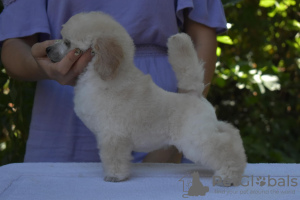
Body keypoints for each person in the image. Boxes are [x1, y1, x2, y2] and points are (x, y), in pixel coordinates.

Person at [0, 0, 227, 163]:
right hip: (63, 119)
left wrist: (178, 135)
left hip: (159, 112)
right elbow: (14, 46)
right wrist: (42, 64)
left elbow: (201, 37)